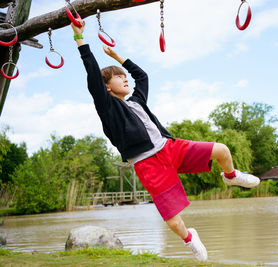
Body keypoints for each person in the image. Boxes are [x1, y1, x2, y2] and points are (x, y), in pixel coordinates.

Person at [71, 19, 260, 262]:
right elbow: (92, 76)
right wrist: (80, 39)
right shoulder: (108, 108)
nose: (125, 78)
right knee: (172, 219)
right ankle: (190, 239)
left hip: (170, 147)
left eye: (123, 76)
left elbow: (143, 76)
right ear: (107, 87)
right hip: (147, 163)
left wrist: (119, 58)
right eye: (119, 77)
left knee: (221, 150)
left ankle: (231, 176)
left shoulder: (136, 101)